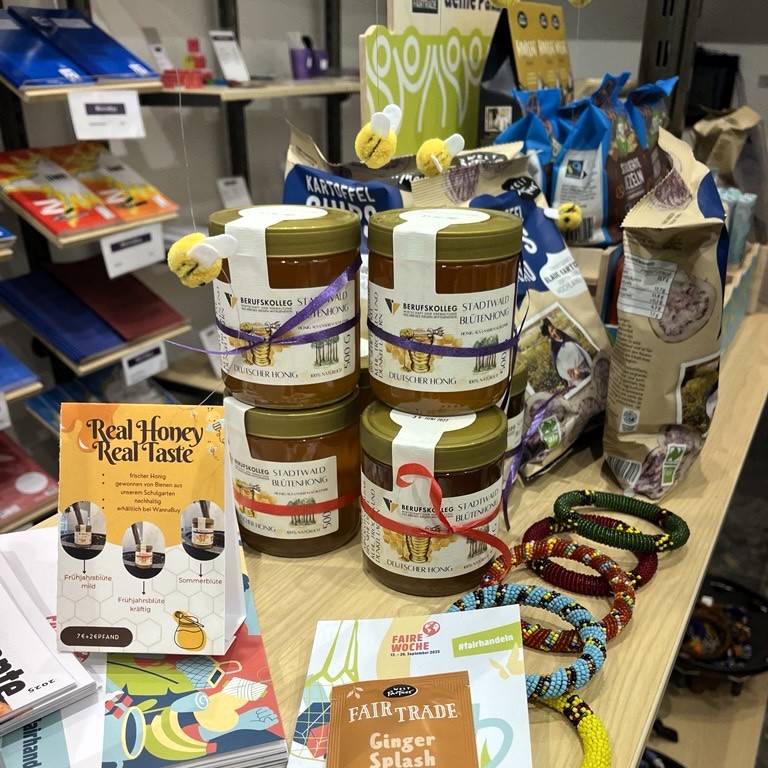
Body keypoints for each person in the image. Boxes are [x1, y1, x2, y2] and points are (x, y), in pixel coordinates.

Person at [541, 318, 591, 389]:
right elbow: (560, 371)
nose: (555, 330)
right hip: (576, 381)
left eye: (554, 328)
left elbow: (583, 353)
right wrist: (572, 375)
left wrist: (591, 365)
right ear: (550, 336)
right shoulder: (554, 351)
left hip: (586, 370)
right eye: (552, 331)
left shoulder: (568, 340)